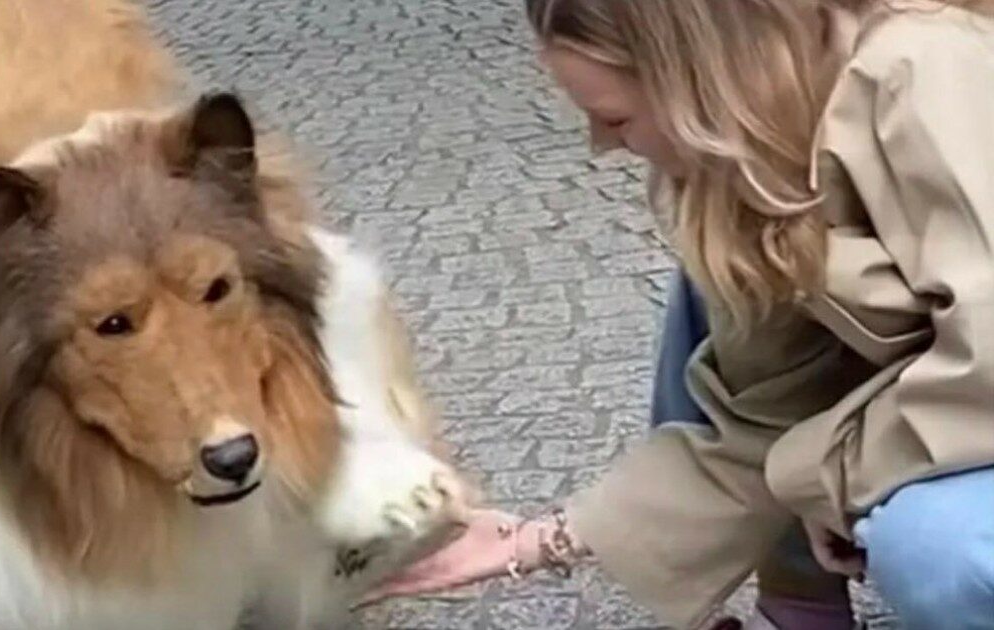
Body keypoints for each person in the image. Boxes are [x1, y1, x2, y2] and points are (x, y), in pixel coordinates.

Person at [367, 1, 994, 629]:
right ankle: (798, 597)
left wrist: (826, 475)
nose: (602, 145)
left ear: (699, 80)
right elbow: (768, 408)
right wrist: (540, 539)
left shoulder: (925, 69)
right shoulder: (760, 170)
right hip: (951, 421)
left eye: (614, 117)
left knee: (937, 547)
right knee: (712, 301)